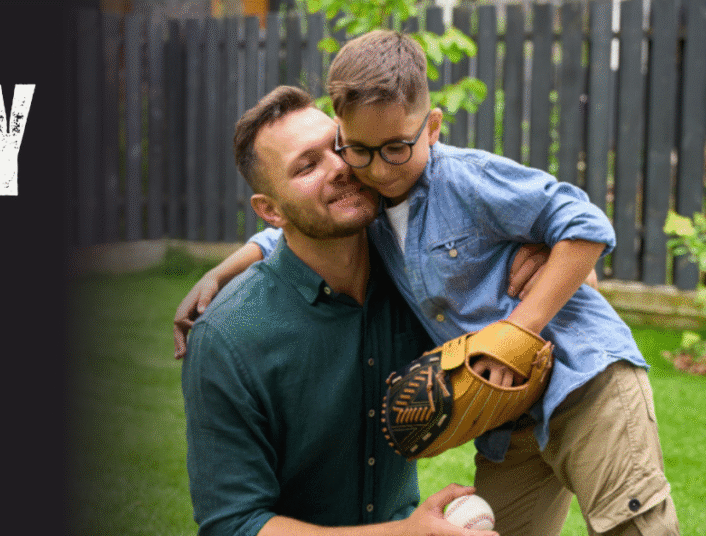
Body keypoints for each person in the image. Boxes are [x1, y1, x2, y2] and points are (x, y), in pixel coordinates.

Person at [183, 30, 678, 536]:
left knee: (633, 523)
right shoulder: (370, 216)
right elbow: (292, 238)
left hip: (583, 378)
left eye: (342, 149)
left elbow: (584, 225)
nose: (361, 169)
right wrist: (224, 269)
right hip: (511, 421)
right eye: (351, 151)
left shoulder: (457, 183)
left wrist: (526, 315)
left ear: (432, 128)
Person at [181, 84, 524, 536]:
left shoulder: (421, 275)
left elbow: (585, 277)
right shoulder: (226, 338)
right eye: (307, 165)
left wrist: (532, 253)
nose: (341, 167)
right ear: (271, 211)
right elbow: (234, 524)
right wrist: (401, 534)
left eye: (340, 147)